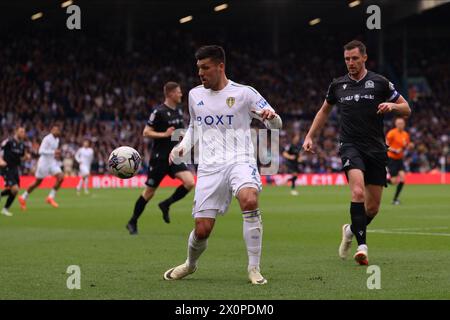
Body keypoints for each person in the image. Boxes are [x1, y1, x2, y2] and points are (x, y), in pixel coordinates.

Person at [163, 45, 282, 284]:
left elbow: (276, 125)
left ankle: (254, 268)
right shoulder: (195, 95)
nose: (200, 73)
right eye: (198, 68)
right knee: (203, 229)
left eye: (205, 68)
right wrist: (182, 147)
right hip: (209, 167)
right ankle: (190, 264)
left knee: (249, 199)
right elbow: (195, 127)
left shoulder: (245, 93)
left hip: (240, 159)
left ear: (220, 67)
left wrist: (272, 118)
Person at [302, 40, 411, 265]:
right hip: (350, 146)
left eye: (354, 58)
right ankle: (362, 247)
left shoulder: (380, 82)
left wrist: (392, 106)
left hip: (376, 149)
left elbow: (407, 109)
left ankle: (350, 230)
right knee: (358, 193)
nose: (350, 63)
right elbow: (323, 111)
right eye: (347, 59)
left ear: (364, 58)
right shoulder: (337, 85)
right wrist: (310, 136)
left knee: (372, 208)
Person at [126, 82, 195, 234]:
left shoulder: (177, 112)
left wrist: (185, 141)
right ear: (170, 94)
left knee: (190, 182)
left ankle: (166, 204)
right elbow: (146, 132)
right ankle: (133, 221)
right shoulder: (158, 112)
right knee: (149, 192)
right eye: (178, 92)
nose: (181, 94)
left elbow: (179, 133)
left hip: (174, 157)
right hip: (159, 158)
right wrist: (164, 134)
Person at [18, 124, 64, 209]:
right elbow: (40, 151)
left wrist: (55, 154)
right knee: (37, 182)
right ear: (52, 130)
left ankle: (50, 197)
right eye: (54, 129)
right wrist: (53, 152)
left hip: (52, 162)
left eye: (57, 130)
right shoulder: (47, 139)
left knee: (61, 177)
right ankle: (23, 197)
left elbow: (53, 152)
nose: (55, 131)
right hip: (44, 163)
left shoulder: (57, 139)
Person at [0, 126, 29, 216]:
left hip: (15, 169)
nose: (22, 133)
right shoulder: (8, 142)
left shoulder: (22, 145)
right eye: (21, 131)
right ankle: (5, 208)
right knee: (15, 188)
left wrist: (26, 157)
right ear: (16, 131)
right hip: (6, 167)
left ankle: (5, 209)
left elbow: (22, 157)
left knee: (15, 191)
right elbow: (1, 150)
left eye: (23, 132)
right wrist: (0, 160)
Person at [386, 117, 411, 205]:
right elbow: (386, 145)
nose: (401, 125)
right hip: (392, 159)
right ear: (396, 124)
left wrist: (409, 146)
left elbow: (407, 145)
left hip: (400, 159)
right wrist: (394, 150)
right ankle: (382, 180)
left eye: (402, 123)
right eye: (399, 123)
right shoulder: (392, 133)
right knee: (394, 181)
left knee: (403, 179)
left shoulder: (405, 134)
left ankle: (395, 199)